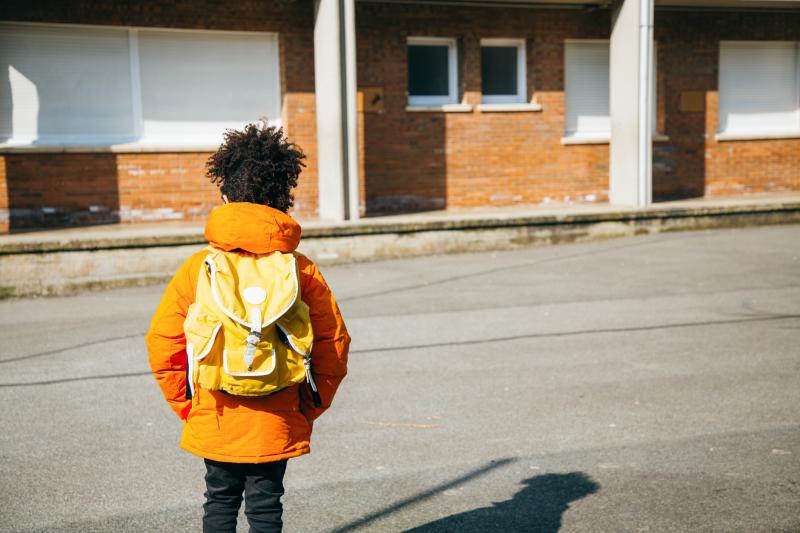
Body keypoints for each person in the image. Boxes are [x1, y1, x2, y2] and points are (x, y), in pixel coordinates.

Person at [145, 123, 350, 533]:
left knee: (218, 501)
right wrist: (310, 405)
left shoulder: (198, 267)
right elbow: (334, 344)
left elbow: (162, 342)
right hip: (278, 412)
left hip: (215, 411)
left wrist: (188, 406)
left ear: (225, 198)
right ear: (282, 200)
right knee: (266, 507)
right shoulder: (302, 270)